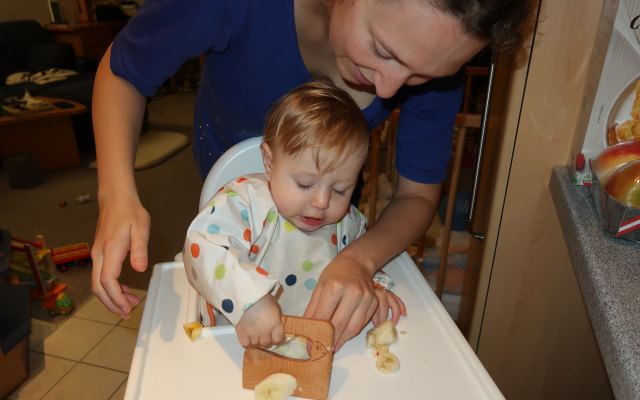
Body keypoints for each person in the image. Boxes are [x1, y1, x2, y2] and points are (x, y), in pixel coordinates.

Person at [91, 0, 531, 348]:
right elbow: (124, 72)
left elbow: (416, 195)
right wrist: (117, 195)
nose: (388, 90)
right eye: (381, 50)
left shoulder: (426, 67)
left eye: (423, 75)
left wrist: (359, 260)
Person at [184, 80, 405, 347]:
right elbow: (202, 246)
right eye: (305, 184)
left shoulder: (348, 223)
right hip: (232, 341)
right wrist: (250, 301)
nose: (322, 201)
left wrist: (374, 288)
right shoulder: (245, 203)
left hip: (310, 343)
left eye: (340, 189)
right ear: (269, 162)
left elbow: (363, 264)